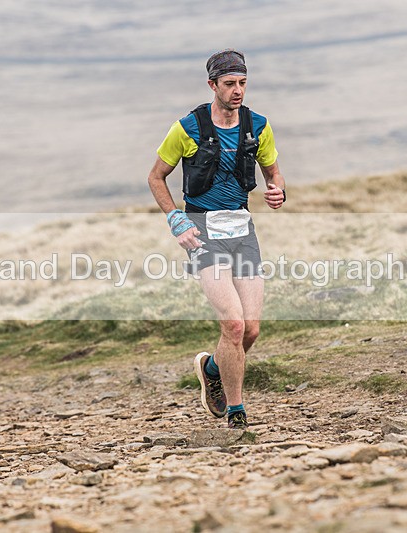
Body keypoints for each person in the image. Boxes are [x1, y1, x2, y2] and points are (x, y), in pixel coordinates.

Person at [147, 50, 286, 430]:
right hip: (203, 233)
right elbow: (155, 177)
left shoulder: (258, 126)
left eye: (242, 83)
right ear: (213, 85)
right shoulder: (187, 128)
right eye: (229, 84)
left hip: (243, 232)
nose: (237, 90)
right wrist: (176, 220)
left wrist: (277, 192)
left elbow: (274, 174)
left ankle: (210, 367)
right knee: (235, 326)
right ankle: (236, 412)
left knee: (252, 328)